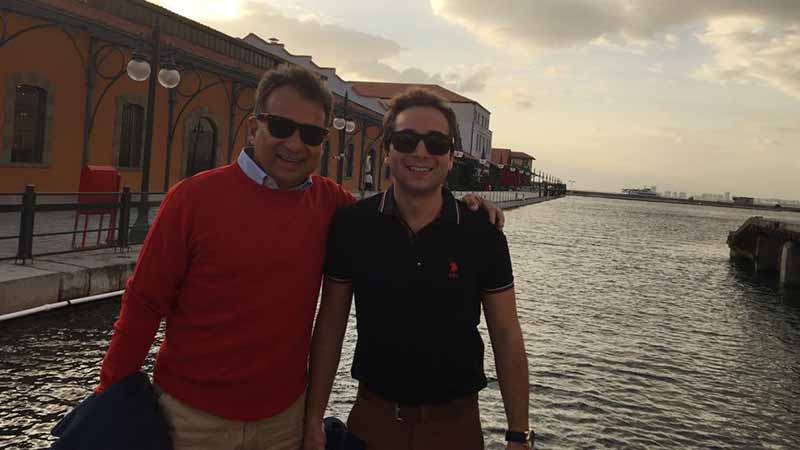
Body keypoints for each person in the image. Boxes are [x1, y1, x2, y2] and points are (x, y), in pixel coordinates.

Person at [95, 66, 504, 450]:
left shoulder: (330, 204)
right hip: (190, 420)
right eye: (281, 127)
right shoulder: (192, 200)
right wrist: (107, 404)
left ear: (322, 142)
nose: (294, 144)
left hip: (284, 422)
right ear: (253, 127)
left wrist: (464, 207)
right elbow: (143, 305)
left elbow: (395, 213)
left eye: (310, 134)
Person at [304, 89, 533, 450]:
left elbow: (506, 334)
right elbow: (331, 324)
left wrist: (519, 433)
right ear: (387, 150)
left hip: (456, 430)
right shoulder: (353, 225)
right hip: (372, 423)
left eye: (436, 143)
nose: (421, 152)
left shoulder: (481, 232)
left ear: (451, 156)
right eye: (406, 140)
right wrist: (313, 418)